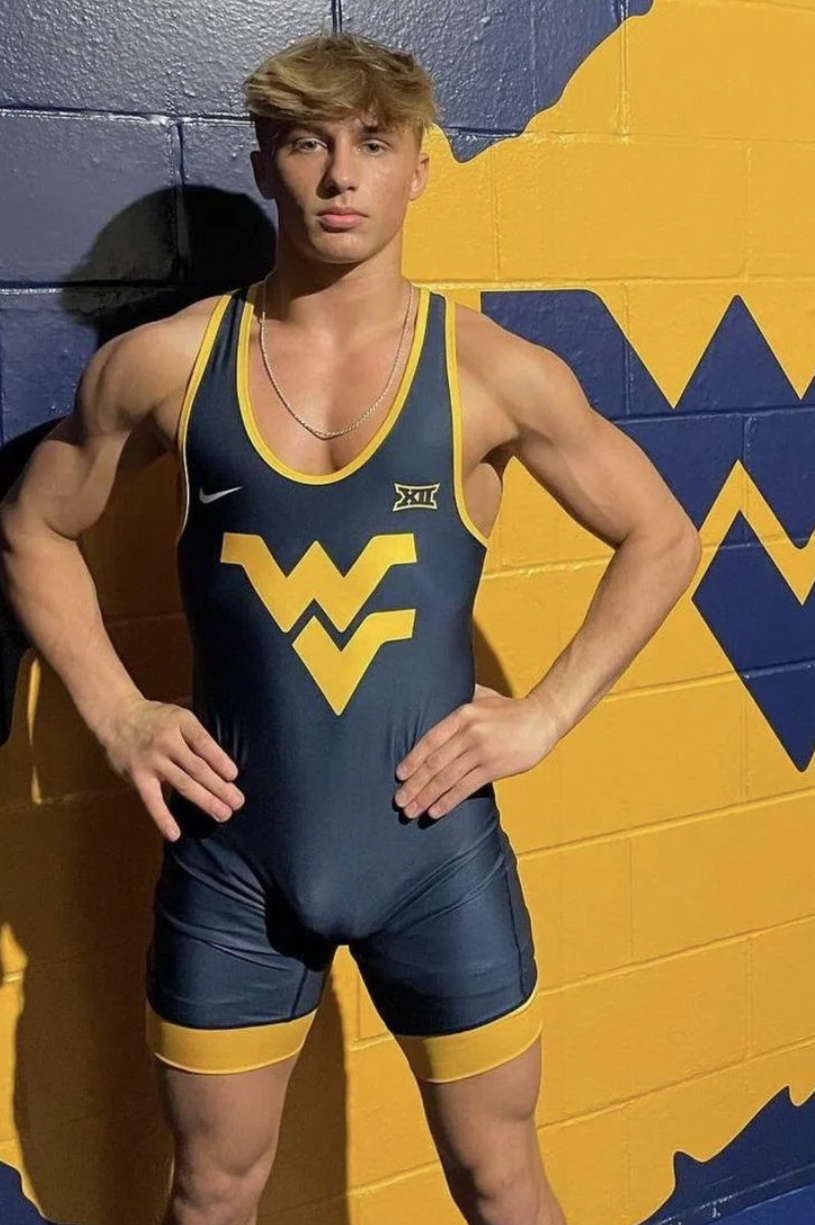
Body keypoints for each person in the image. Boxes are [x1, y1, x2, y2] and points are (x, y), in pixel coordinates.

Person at [0, 29, 701, 1225]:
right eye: (305, 143)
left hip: (434, 861)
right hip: (231, 864)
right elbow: (31, 528)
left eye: (373, 144)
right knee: (210, 1192)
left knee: (501, 1181)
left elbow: (661, 536)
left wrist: (541, 717)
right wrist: (117, 714)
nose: (338, 175)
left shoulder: (493, 372)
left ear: (418, 168)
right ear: (263, 164)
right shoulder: (165, 365)